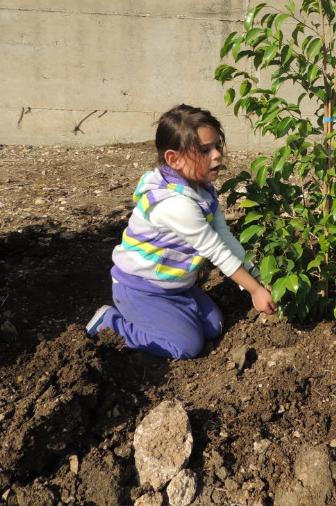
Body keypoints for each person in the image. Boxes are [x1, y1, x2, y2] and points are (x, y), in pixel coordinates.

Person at [85, 104, 276, 359]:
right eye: (205, 150)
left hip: (175, 286)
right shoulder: (175, 204)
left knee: (213, 327)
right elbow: (215, 249)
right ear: (174, 159)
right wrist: (254, 290)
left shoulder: (202, 189)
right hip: (142, 290)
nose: (217, 155)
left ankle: (176, 308)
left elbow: (224, 236)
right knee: (186, 346)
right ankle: (112, 322)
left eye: (218, 146)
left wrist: (254, 275)